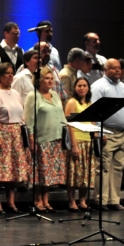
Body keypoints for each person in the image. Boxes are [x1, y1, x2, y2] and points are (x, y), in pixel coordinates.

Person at [24, 67, 76, 212]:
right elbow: (29, 120)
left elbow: (62, 116)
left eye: (51, 78)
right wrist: (32, 139)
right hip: (41, 140)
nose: (50, 81)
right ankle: (37, 199)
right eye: (46, 78)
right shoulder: (33, 96)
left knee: (50, 173)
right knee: (40, 172)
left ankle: (46, 200)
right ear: (39, 80)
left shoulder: (55, 95)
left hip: (57, 139)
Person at [90, 58, 124, 211]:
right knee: (103, 167)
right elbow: (95, 111)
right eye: (113, 68)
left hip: (122, 134)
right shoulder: (98, 86)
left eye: (119, 68)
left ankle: (114, 200)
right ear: (105, 69)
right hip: (107, 133)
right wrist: (99, 131)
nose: (117, 70)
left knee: (118, 168)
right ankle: (101, 200)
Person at [0, 62, 30, 213]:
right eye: (7, 73)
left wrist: (23, 134)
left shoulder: (16, 94)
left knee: (12, 169)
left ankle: (11, 201)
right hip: (2, 131)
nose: (10, 76)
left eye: (12, 73)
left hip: (16, 133)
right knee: (0, 169)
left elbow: (21, 115)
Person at [65, 77, 96, 211]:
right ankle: (72, 201)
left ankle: (82, 200)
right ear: (75, 88)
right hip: (77, 140)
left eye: (84, 85)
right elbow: (69, 124)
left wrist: (95, 138)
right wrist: (74, 145)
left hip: (88, 141)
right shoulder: (72, 102)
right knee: (74, 173)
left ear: (88, 88)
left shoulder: (90, 104)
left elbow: (93, 123)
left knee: (86, 173)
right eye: (79, 85)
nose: (82, 88)